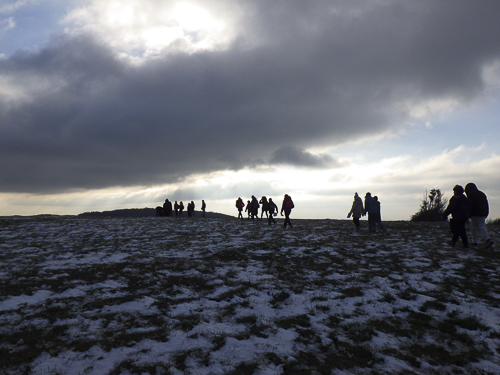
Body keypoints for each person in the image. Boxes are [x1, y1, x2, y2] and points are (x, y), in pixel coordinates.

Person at [465, 183, 494, 248]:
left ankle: (478, 241)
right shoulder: (481, 194)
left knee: (474, 228)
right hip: (483, 213)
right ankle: (486, 240)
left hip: (475, 214)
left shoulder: (471, 195)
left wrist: (469, 213)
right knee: (481, 226)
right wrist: (486, 213)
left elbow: (470, 205)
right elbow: (486, 204)